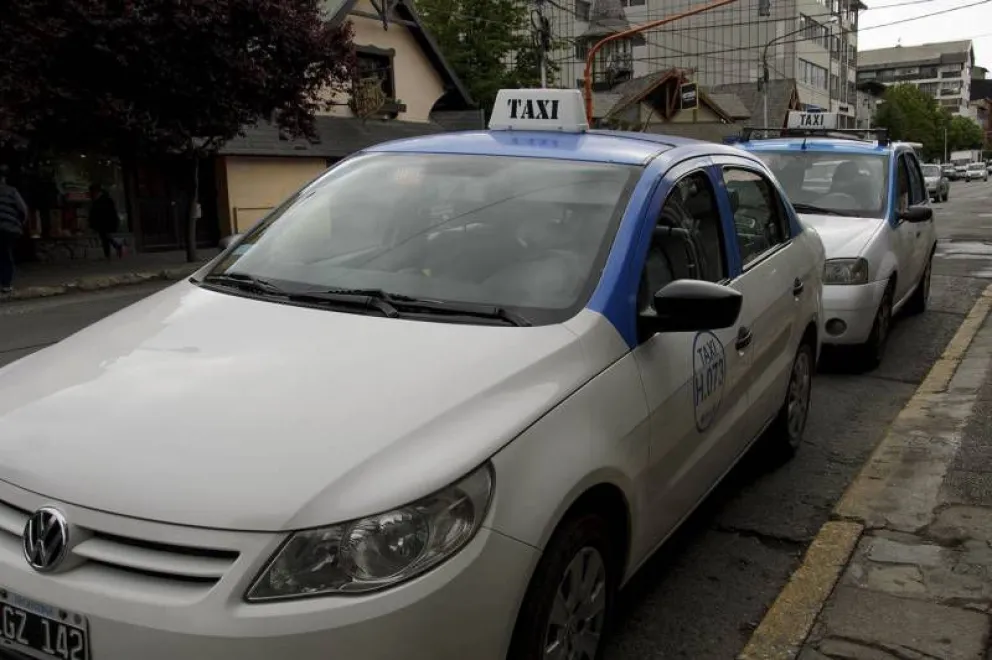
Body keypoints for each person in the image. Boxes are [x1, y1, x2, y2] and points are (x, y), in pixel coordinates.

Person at [0, 165, 28, 295]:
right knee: (6, 255)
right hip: (8, 228)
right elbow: (23, 209)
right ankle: (6, 285)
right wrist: (19, 223)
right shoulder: (11, 191)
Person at [88, 183, 125, 259]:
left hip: (104, 223)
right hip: (101, 223)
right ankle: (114, 248)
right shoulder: (98, 199)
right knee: (105, 238)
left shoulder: (104, 200)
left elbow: (108, 212)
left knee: (105, 238)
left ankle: (109, 253)